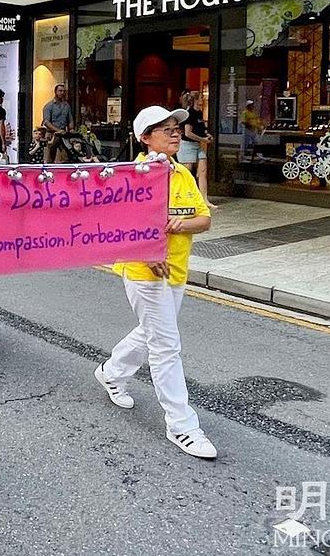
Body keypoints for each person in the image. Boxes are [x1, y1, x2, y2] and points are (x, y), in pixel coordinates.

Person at [95, 105, 217, 460]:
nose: (176, 133)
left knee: (151, 333)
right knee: (166, 345)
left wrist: (181, 225)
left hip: (177, 270)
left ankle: (111, 371)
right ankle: (182, 425)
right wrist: (146, 249)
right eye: (165, 129)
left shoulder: (181, 174)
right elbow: (117, 224)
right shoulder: (134, 176)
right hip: (144, 273)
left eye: (177, 128)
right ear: (145, 138)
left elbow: (204, 219)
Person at [178, 91, 215, 209]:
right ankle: (184, 197)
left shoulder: (199, 113)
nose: (202, 100)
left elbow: (200, 129)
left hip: (197, 145)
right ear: (195, 100)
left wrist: (206, 135)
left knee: (203, 171)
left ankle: (204, 199)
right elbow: (188, 133)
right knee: (186, 172)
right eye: (200, 98)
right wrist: (203, 139)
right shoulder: (189, 114)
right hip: (187, 145)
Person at [42, 84, 73, 163]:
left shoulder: (66, 106)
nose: (62, 93)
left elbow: (70, 120)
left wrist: (71, 130)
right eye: (60, 91)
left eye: (63, 91)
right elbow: (46, 122)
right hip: (51, 135)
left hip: (63, 136)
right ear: (55, 92)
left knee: (62, 160)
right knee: (48, 160)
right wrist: (57, 130)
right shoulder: (49, 106)